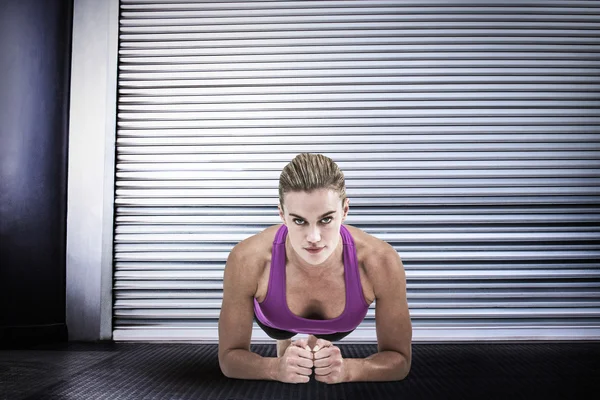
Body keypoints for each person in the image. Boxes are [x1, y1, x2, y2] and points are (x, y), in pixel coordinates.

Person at [218, 153, 412, 384]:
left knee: (319, 346)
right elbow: (228, 359)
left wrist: (349, 369)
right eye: (299, 221)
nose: (313, 237)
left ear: (345, 211)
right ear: (282, 215)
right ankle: (288, 344)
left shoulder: (381, 261)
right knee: (282, 334)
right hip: (275, 322)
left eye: (326, 220)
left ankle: (312, 342)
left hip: (337, 327)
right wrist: (273, 368)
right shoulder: (248, 259)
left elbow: (400, 360)